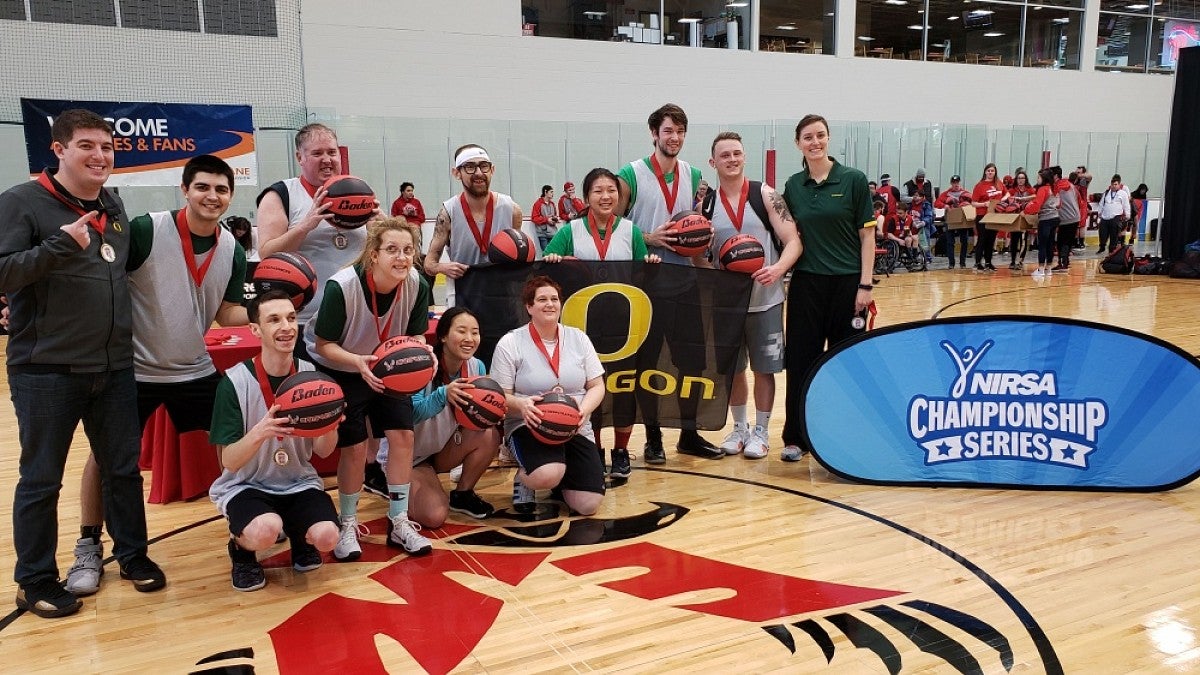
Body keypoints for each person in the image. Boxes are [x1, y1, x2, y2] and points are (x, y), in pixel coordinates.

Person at [0, 109, 165, 618]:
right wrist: (55, 247)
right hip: (45, 368)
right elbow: (4, 273)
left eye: (107, 147)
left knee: (122, 470)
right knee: (41, 478)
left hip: (113, 367)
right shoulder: (21, 202)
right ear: (59, 150)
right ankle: (35, 579)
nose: (100, 156)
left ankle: (133, 556)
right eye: (87, 146)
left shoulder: (112, 203)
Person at [66, 154, 249, 597]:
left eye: (221, 189)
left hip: (195, 368)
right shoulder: (148, 229)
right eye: (203, 187)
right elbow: (106, 277)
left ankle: (250, 524)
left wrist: (271, 312)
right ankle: (89, 541)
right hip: (134, 369)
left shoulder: (233, 249)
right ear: (184, 189)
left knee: (243, 439)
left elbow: (227, 313)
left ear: (230, 196)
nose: (212, 196)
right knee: (107, 457)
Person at [307, 219, 434, 559]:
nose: (402, 257)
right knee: (354, 448)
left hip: (389, 366)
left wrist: (423, 352)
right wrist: (358, 363)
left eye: (408, 250)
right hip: (343, 365)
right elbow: (323, 344)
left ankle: (399, 519)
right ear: (374, 255)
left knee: (403, 437)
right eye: (392, 250)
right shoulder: (342, 286)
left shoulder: (417, 285)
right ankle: (347, 523)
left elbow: (417, 334)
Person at [208, 290, 341, 592]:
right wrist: (261, 431)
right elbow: (228, 461)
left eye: (291, 318)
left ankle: (299, 535)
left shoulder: (311, 378)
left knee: (327, 537)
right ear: (255, 330)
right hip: (246, 484)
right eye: (274, 320)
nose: (286, 327)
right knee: (264, 531)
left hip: (298, 482)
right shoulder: (234, 382)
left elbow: (323, 451)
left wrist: (330, 425)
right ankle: (241, 552)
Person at [616, 103, 722, 463]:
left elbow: (694, 230)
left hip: (685, 281)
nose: (674, 138)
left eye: (680, 131)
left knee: (692, 362)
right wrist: (649, 238)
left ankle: (689, 434)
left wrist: (705, 261)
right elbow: (608, 225)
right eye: (667, 131)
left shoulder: (694, 176)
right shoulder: (629, 175)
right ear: (654, 134)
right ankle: (653, 438)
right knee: (648, 365)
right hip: (644, 285)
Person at [542, 167, 662, 480]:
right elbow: (545, 263)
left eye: (611, 190)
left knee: (623, 392)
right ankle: (593, 449)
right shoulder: (570, 231)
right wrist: (554, 260)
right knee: (589, 393)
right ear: (586, 198)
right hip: (581, 331)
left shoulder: (631, 231)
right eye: (598, 190)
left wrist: (648, 265)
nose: (605, 196)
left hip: (624, 328)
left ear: (619, 197)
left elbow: (640, 277)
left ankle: (621, 451)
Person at [698, 132, 802, 460]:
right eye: (724, 155)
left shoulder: (766, 195)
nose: (732, 159)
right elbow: (698, 255)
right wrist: (709, 271)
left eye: (737, 153)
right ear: (713, 162)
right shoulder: (706, 205)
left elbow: (793, 240)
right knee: (732, 369)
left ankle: (762, 431)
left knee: (764, 369)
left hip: (766, 299)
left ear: (744, 157)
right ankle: (740, 428)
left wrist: (778, 269)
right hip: (726, 305)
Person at [780, 114, 875, 462]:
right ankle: (796, 438)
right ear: (798, 144)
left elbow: (868, 235)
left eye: (820, 135)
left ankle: (845, 434)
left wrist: (865, 284)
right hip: (807, 284)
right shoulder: (792, 186)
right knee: (801, 361)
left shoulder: (852, 180)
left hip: (848, 284)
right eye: (808, 137)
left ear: (828, 139)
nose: (815, 142)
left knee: (845, 363)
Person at [491, 276, 607, 516]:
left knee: (588, 505)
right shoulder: (510, 343)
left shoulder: (578, 338)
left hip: (575, 426)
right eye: (542, 299)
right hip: (529, 424)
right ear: (529, 307)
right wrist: (522, 405)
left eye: (554, 299)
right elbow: (500, 395)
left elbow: (597, 385)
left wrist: (583, 410)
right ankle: (527, 479)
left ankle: (560, 476)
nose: (550, 304)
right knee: (545, 475)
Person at [256, 123, 367, 353]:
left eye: (332, 152)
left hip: (355, 319)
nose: (327, 160)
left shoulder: (357, 192)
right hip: (302, 321)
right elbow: (267, 253)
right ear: (300, 157)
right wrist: (305, 226)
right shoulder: (281, 194)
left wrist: (380, 222)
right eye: (317, 153)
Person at [387, 306, 501, 526]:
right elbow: (409, 416)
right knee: (434, 517)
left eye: (475, 332)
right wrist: (443, 394)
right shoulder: (421, 366)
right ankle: (397, 487)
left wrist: (493, 410)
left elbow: (476, 417)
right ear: (443, 336)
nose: (469, 338)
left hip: (442, 449)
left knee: (489, 434)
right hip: (410, 457)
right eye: (461, 331)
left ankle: (463, 494)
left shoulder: (476, 366)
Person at [424, 144, 528, 312]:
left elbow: (520, 255)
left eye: (483, 166)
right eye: (470, 167)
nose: (479, 173)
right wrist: (443, 267)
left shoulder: (512, 210)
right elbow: (429, 263)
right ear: (456, 173)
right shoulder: (448, 213)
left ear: (492, 170)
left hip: (502, 295)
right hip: (463, 294)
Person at [1024, 167, 1061, 278]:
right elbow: (1059, 204)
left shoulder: (1042, 189)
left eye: (1039, 177)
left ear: (1044, 178)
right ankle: (1048, 269)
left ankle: (1040, 269)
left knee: (1042, 245)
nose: (1037, 179)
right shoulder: (1054, 188)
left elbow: (1036, 205)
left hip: (1046, 219)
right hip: (1055, 217)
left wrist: (1025, 211)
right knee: (1050, 244)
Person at [970, 163, 1005, 272]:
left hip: (994, 215)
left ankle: (988, 262)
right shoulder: (980, 185)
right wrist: (984, 204)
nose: (990, 172)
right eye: (988, 170)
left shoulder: (999, 184)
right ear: (985, 172)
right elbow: (973, 203)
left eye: (992, 171)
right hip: (982, 215)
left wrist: (1002, 201)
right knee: (982, 239)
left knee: (991, 239)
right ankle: (977, 262)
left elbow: (1006, 194)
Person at [934, 174, 972, 269]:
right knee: (950, 242)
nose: (956, 184)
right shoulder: (946, 194)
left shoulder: (966, 193)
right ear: (951, 183)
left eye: (957, 182)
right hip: (950, 220)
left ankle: (962, 262)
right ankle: (951, 263)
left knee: (964, 241)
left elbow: (973, 201)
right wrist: (945, 205)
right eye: (954, 183)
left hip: (962, 220)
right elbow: (937, 203)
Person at [1052, 169, 1085, 272]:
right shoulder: (1071, 186)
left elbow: (1054, 202)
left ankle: (1063, 264)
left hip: (1065, 218)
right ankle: (1065, 262)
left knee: (1062, 242)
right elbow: (1079, 201)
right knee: (1067, 241)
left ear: (1056, 176)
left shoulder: (1056, 187)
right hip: (1075, 217)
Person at [1003, 170, 1036, 269]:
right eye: (1019, 178)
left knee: (1023, 240)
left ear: (1025, 179)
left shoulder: (1030, 190)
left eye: (1022, 178)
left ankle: (1020, 261)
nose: (1021, 180)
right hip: (1015, 217)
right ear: (1016, 180)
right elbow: (1006, 197)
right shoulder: (1013, 190)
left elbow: (1035, 197)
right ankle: (1013, 261)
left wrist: (1023, 200)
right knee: (1014, 239)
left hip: (1025, 217)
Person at [1096, 174, 1131, 254]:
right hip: (1105, 217)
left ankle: (1112, 249)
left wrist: (1127, 215)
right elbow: (1102, 203)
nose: (1114, 186)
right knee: (1102, 233)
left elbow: (1126, 205)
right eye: (1112, 184)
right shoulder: (1107, 193)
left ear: (1119, 185)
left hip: (1116, 217)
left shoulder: (1123, 194)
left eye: (1115, 184)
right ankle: (1102, 246)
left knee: (1114, 234)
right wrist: (1099, 213)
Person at [530, 184, 561, 249]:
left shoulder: (552, 204)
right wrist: (547, 220)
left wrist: (555, 219)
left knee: (554, 252)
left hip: (553, 232)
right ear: (545, 192)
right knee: (546, 253)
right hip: (542, 233)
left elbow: (554, 215)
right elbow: (534, 218)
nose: (553, 194)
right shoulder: (538, 204)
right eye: (551, 192)